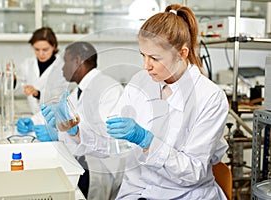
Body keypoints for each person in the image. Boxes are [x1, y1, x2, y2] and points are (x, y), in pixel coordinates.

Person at [43, 4, 229, 200]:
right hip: (137, 191)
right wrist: (75, 131)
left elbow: (193, 171)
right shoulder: (140, 82)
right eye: (143, 55)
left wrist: (148, 142)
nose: (146, 66)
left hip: (184, 195)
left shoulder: (209, 97)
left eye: (155, 58)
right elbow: (113, 143)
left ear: (182, 53)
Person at [21, 41, 125, 200]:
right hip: (82, 160)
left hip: (99, 168)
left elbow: (106, 137)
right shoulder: (80, 89)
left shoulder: (109, 88)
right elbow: (63, 114)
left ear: (77, 61)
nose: (62, 68)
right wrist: (33, 122)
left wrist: (58, 134)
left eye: (65, 62)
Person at [15, 27, 68, 114]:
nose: (41, 54)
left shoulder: (63, 66)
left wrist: (38, 94)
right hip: (33, 117)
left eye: (45, 50)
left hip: (55, 119)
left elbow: (59, 96)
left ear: (54, 46)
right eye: (37, 49)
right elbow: (18, 88)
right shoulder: (27, 64)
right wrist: (12, 80)